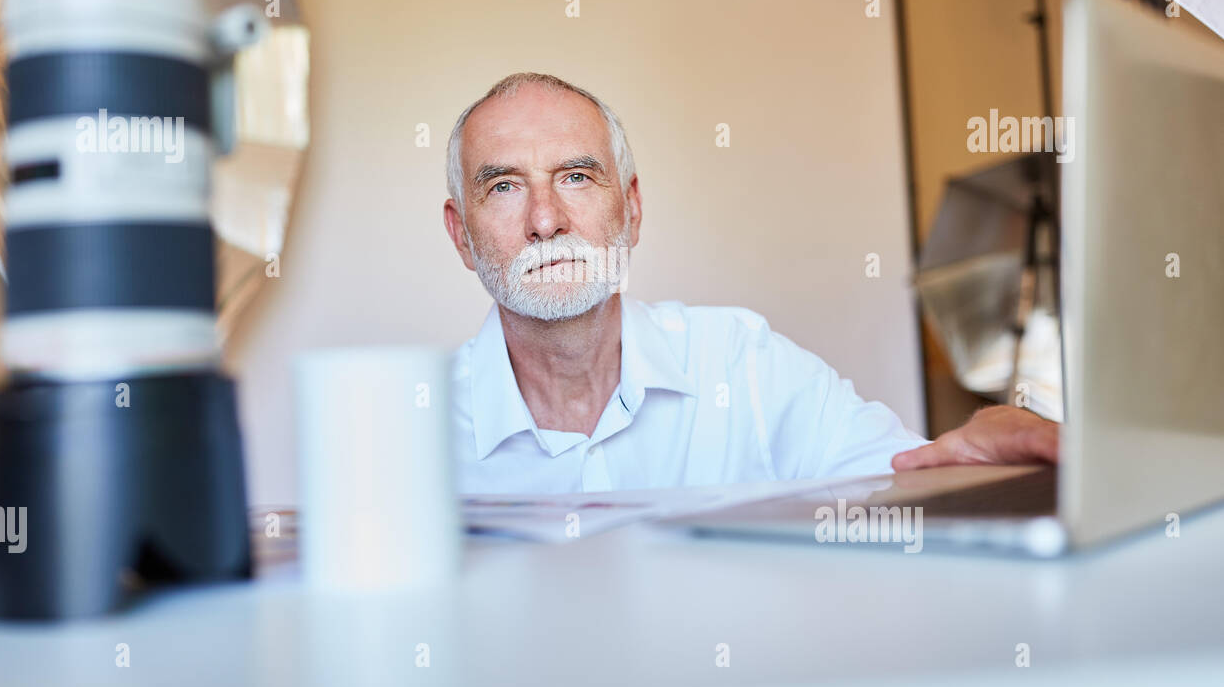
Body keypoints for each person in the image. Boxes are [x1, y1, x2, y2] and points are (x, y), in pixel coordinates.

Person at [443, 72, 1059, 494]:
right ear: (461, 236)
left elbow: (901, 483)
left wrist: (971, 453)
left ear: (631, 211)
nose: (545, 220)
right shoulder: (413, 431)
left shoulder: (742, 363)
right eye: (503, 186)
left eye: (577, 176)